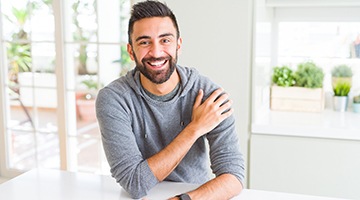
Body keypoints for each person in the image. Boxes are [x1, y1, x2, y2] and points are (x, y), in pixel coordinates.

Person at [96, 1, 245, 199]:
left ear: (178, 45)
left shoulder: (209, 95)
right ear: (131, 51)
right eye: (144, 42)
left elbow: (233, 176)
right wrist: (194, 129)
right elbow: (134, 183)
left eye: (165, 40)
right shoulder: (114, 99)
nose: (156, 52)